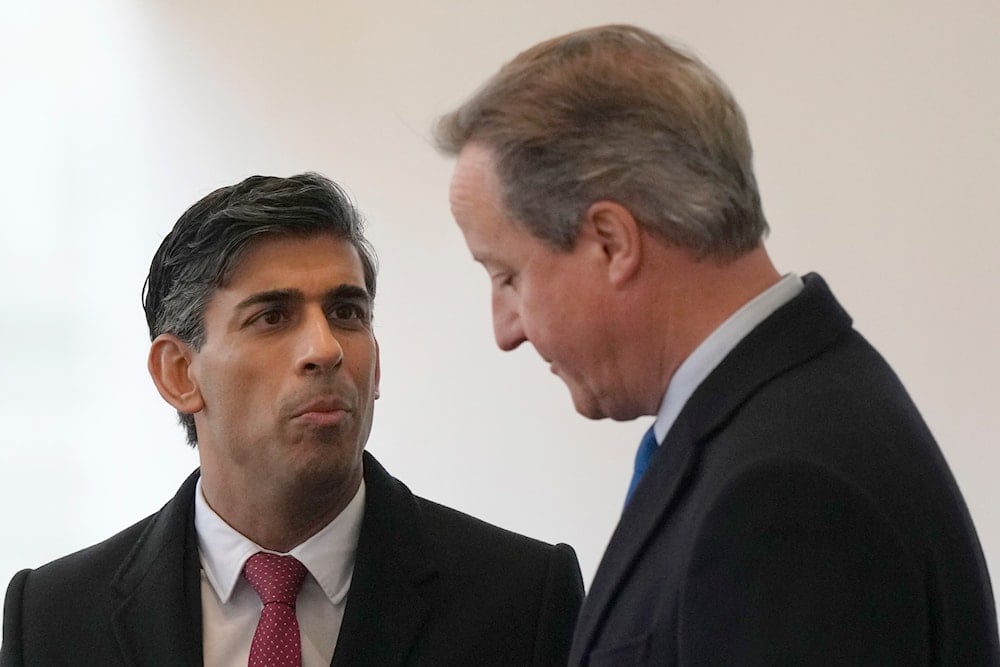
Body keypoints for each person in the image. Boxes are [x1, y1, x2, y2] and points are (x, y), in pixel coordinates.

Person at [435, 24, 999, 665]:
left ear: (612, 243)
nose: (504, 330)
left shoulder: (784, 494)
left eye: (508, 276)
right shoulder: (796, 415)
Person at [1, 173, 584, 666]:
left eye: (347, 312)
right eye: (273, 317)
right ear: (179, 373)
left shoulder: (522, 599)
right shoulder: (55, 618)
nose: (325, 348)